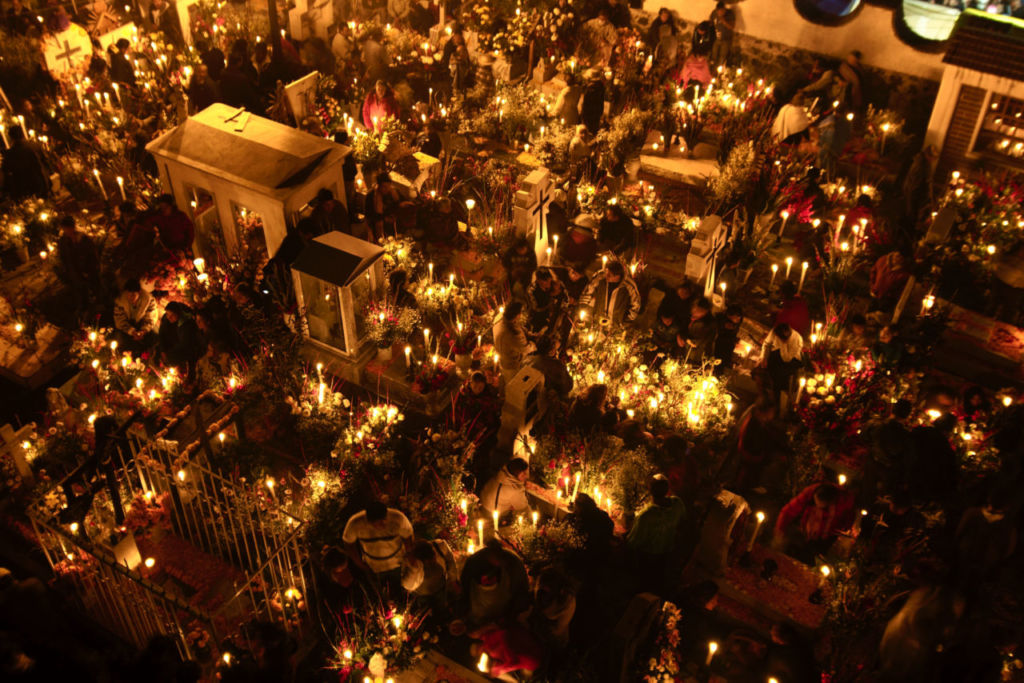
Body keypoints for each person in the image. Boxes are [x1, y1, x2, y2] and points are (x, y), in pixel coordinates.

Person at [627, 475, 688, 589]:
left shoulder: (646, 515)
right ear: (668, 489)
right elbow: (683, 522)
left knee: (644, 585)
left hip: (647, 559)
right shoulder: (677, 503)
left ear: (649, 490)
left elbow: (633, 542)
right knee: (658, 583)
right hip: (668, 555)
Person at [456, 540, 530, 629]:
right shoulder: (473, 563)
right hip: (479, 616)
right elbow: (465, 589)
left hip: (504, 617)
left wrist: (507, 619)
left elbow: (522, 593)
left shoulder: (513, 563)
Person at [342, 502, 415, 592]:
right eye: (379, 523)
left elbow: (408, 535)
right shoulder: (356, 523)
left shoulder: (398, 518)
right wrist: (359, 563)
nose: (384, 524)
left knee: (399, 588)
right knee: (380, 591)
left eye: (384, 519)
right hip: (373, 567)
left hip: (397, 563)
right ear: (369, 521)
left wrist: (409, 554)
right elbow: (348, 543)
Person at [774, 482, 854, 562]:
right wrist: (779, 530)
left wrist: (842, 534)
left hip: (827, 538)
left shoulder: (845, 501)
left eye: (823, 507)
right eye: (816, 504)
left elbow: (848, 523)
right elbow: (788, 511)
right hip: (806, 533)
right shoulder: (810, 492)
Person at [732, 397, 789, 493]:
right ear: (762, 412)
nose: (773, 415)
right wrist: (776, 455)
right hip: (752, 458)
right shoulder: (753, 429)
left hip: (755, 455)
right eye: (771, 412)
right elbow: (761, 447)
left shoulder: (757, 417)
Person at [54, 215, 100, 316]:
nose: (67, 231)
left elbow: (92, 255)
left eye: (69, 228)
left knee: (93, 289)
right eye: (65, 228)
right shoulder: (63, 241)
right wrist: (66, 269)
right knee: (79, 290)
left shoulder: (83, 239)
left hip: (88, 270)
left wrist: (91, 269)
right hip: (74, 272)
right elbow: (63, 256)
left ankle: (95, 307)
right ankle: (83, 308)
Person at [402, 539, 457, 612]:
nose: (432, 562)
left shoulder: (440, 547)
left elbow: (450, 562)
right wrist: (414, 568)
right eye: (428, 562)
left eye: (433, 559)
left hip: (441, 590)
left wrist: (453, 580)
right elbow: (408, 585)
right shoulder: (412, 566)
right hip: (421, 596)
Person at [580, 261, 641, 326]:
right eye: (606, 273)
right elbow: (587, 293)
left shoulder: (629, 286)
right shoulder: (600, 278)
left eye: (609, 275)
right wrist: (586, 313)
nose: (606, 276)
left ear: (617, 276)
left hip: (615, 324)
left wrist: (626, 321)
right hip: (597, 321)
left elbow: (636, 304)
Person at [530, 568, 577, 650]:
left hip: (552, 641)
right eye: (541, 589)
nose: (541, 594)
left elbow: (557, 630)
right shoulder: (541, 589)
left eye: (546, 590)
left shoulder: (566, 602)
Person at [157, 302, 205, 376]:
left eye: (172, 315)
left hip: (185, 348)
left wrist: (169, 353)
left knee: (170, 358)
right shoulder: (167, 318)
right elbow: (161, 334)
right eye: (167, 314)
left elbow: (184, 345)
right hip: (174, 343)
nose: (169, 317)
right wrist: (163, 350)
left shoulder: (186, 325)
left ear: (178, 314)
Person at [1, 126, 49, 199]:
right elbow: (45, 162)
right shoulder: (34, 145)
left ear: (11, 138)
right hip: (40, 183)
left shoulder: (9, 154)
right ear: (23, 134)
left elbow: (5, 171)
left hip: (23, 189)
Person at [761, 323, 803, 404]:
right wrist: (763, 358)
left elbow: (786, 358)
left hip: (792, 360)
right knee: (767, 369)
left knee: (780, 376)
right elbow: (767, 344)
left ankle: (778, 398)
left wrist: (783, 343)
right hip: (779, 353)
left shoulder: (796, 339)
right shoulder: (775, 331)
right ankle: (768, 392)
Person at [113, 279, 157, 354]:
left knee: (154, 337)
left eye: (133, 295)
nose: (130, 298)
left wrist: (143, 331)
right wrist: (132, 331)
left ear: (139, 292)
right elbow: (119, 320)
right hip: (126, 328)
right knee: (120, 340)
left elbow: (150, 318)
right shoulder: (120, 301)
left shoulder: (149, 300)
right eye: (128, 295)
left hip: (142, 325)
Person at [479, 457, 531, 521]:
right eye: (523, 475)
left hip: (483, 505)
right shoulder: (515, 489)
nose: (526, 476)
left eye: (526, 472)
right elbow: (523, 507)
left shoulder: (500, 475)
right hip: (494, 514)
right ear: (515, 474)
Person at [493, 301, 531, 385]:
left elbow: (516, 325)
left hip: (502, 360)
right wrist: (533, 345)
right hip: (512, 365)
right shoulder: (512, 334)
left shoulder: (498, 317)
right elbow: (526, 348)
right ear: (518, 315)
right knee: (514, 385)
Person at [902, 144, 938, 226]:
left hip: (915, 192)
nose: (933, 160)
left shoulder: (925, 163)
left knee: (912, 212)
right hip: (915, 193)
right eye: (932, 157)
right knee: (911, 213)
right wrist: (926, 196)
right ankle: (908, 227)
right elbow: (916, 182)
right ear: (927, 155)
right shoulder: (921, 166)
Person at [526, 268, 566, 335]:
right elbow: (535, 308)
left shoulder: (550, 283)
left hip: (550, 312)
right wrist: (549, 304)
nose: (549, 284)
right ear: (538, 281)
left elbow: (560, 289)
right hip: (537, 316)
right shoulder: (532, 291)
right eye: (546, 282)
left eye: (550, 281)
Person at [677, 297, 716, 363]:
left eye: (697, 310)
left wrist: (685, 339)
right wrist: (679, 335)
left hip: (696, 357)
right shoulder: (690, 315)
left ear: (705, 311)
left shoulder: (708, 324)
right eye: (693, 309)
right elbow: (682, 328)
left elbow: (695, 342)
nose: (693, 312)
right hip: (684, 352)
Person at [713, 304, 742, 374]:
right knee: (717, 361)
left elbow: (734, 332)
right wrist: (724, 327)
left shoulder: (736, 322)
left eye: (739, 317)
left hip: (728, 345)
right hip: (719, 344)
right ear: (730, 315)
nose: (738, 319)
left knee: (723, 363)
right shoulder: (721, 319)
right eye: (737, 317)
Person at [578, 70, 607, 135]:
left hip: (589, 115)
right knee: (594, 129)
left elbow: (585, 105)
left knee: (587, 131)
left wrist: (582, 116)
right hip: (596, 114)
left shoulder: (590, 89)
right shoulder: (600, 87)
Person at [709, 2, 735, 66]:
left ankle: (719, 70)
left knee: (722, 56)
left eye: (722, 11)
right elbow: (711, 22)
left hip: (726, 39)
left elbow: (732, 27)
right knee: (714, 54)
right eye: (719, 11)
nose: (720, 13)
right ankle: (712, 68)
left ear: (724, 9)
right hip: (717, 38)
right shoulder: (714, 13)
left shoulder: (730, 14)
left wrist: (723, 21)